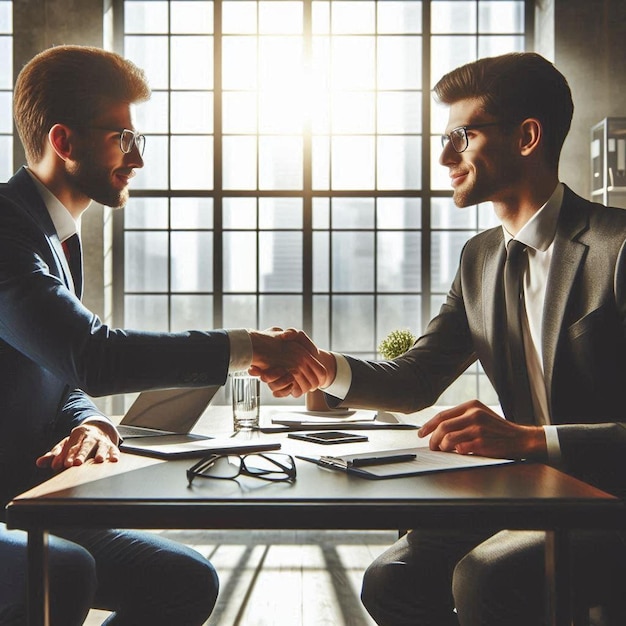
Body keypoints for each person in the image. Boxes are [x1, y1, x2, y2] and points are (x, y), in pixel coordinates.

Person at [257, 52, 626, 625]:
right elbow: (416, 378)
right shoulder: (478, 258)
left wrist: (529, 439)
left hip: (612, 501)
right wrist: (323, 367)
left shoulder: (618, 247)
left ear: (528, 136)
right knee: (392, 579)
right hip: (533, 489)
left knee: (484, 578)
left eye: (462, 134)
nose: (444, 157)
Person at [0, 45, 326, 625]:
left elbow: (53, 369)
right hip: (11, 506)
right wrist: (248, 347)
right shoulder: (4, 229)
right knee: (66, 568)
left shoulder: (53, 235)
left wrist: (89, 419)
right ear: (63, 142)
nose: (137, 159)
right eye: (121, 138)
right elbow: (91, 355)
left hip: (25, 499)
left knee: (183, 580)